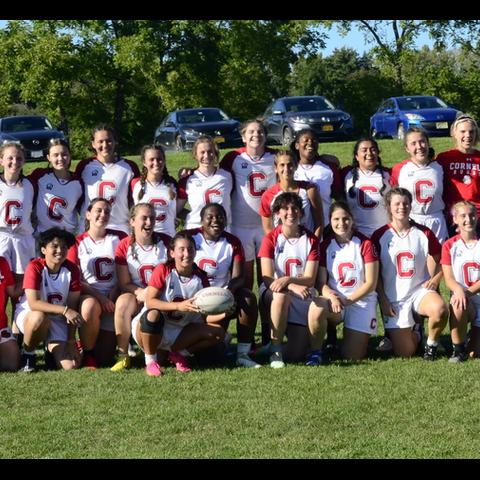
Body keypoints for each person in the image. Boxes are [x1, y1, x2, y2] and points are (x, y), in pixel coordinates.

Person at [131, 232, 225, 377]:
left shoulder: (201, 277)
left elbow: (205, 316)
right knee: (153, 314)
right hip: (152, 327)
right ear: (172, 253)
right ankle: (150, 361)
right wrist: (178, 306)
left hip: (180, 331)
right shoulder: (164, 270)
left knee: (219, 333)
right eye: (181, 249)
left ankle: (179, 354)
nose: (186, 253)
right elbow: (150, 302)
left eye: (190, 249)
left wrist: (224, 311)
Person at [371, 187, 448, 359]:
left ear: (411, 205)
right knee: (405, 352)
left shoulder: (424, 232)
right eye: (397, 203)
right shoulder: (379, 235)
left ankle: (431, 344)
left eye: (406, 203)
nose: (402, 207)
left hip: (419, 292)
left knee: (440, 310)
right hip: (394, 298)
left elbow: (444, 259)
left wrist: (435, 279)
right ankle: (417, 332)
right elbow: (374, 273)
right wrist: (383, 299)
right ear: (389, 207)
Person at [183, 203, 260, 368]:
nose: (215, 220)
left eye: (219, 217)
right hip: (192, 299)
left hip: (219, 300)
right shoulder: (188, 237)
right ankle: (223, 340)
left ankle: (243, 353)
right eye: (209, 217)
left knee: (248, 298)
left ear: (226, 220)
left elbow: (239, 276)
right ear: (201, 220)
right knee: (209, 358)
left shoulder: (232, 242)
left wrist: (227, 294)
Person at [258, 192, 327, 368]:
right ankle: (275, 349)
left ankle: (267, 348)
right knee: (281, 296)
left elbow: (310, 279)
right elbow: (267, 278)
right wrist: (290, 287)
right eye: (285, 208)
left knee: (296, 354)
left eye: (295, 208)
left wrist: (289, 281)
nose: (290, 212)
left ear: (301, 213)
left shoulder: (310, 239)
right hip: (274, 294)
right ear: (277, 214)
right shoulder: (270, 238)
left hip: (302, 294)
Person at [67, 197, 127, 368]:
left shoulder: (120, 238)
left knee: (106, 359)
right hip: (90, 295)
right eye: (98, 211)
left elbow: (126, 270)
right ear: (87, 214)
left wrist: (116, 290)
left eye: (107, 211)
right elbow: (76, 279)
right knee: (90, 306)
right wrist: (101, 297)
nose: (103, 214)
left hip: (114, 296)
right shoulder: (77, 242)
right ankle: (88, 353)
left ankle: (90, 345)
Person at [111, 203, 171, 371]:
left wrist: (152, 294)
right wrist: (141, 292)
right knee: (122, 301)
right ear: (132, 221)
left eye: (152, 218)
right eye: (144, 218)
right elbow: (124, 283)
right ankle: (123, 355)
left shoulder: (165, 242)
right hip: (137, 294)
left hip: (162, 294)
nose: (149, 222)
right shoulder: (124, 245)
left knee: (163, 358)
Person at [14, 228, 83, 372]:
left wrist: (71, 340)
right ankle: (28, 354)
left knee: (70, 366)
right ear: (44, 249)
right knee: (39, 317)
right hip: (31, 314)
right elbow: (34, 303)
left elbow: (72, 306)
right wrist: (65, 310)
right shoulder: (35, 267)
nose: (60, 250)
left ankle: (50, 351)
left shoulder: (72, 270)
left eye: (64, 247)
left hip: (57, 317)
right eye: (55, 246)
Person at [317, 202, 379, 360]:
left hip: (360, 301)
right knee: (315, 309)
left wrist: (347, 300)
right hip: (336, 302)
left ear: (352, 220)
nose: (341, 223)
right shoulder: (325, 245)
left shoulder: (365, 243)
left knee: (352, 356)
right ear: (329, 221)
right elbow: (321, 283)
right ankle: (315, 351)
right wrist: (331, 296)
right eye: (336, 219)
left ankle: (337, 343)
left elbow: (371, 283)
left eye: (345, 219)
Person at [219, 120, 277, 291]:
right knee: (245, 281)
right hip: (241, 226)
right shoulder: (233, 157)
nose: (256, 135)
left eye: (260, 131)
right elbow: (216, 176)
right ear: (243, 137)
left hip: (267, 226)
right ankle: (247, 317)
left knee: (268, 279)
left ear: (266, 136)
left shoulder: (276, 156)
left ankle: (268, 318)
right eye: (251, 132)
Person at [75, 124, 140, 234]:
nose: (105, 145)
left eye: (109, 141)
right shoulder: (84, 166)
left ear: (115, 142)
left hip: (119, 228)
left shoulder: (129, 167)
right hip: (90, 229)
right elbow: (76, 197)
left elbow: (135, 199)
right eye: (100, 141)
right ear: (93, 144)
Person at [391, 126, 448, 243]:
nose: (419, 147)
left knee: (438, 259)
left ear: (428, 143)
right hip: (411, 220)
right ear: (407, 148)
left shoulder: (440, 167)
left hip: (436, 219)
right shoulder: (399, 169)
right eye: (413, 143)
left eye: (422, 142)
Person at [441, 201, 480, 362]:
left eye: (472, 215)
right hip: (465, 301)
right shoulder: (450, 245)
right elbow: (448, 278)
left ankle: (471, 338)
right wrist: (459, 292)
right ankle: (458, 349)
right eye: (463, 216)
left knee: (475, 354)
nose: (468, 219)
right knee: (457, 302)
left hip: (473, 296)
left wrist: (466, 292)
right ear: (455, 219)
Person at [259, 150, 323, 238]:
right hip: (282, 246)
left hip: (307, 244)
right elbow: (268, 229)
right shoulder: (268, 195)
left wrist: (314, 245)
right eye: (282, 165)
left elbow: (319, 223)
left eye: (290, 165)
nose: (286, 169)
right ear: (275, 168)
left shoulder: (309, 190)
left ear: (296, 166)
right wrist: (276, 245)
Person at [0, 141, 35, 298]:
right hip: (2, 238)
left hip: (23, 239)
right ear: (1, 160)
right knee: (2, 288)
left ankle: (18, 322)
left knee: (21, 292)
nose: (15, 162)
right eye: (10, 158)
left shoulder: (30, 184)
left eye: (19, 158)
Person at [29, 138, 83, 236]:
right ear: (48, 157)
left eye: (64, 154)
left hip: (67, 235)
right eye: (55, 155)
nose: (60, 158)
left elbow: (83, 210)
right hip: (43, 234)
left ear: (70, 156)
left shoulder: (78, 182)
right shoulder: (39, 175)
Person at [177, 136, 233, 230]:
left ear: (215, 153)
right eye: (202, 152)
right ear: (195, 155)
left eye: (210, 151)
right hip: (196, 230)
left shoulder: (227, 175)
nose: (206, 156)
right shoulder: (187, 179)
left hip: (222, 230)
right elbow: (175, 210)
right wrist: (192, 216)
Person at [436, 113, 480, 231]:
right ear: (454, 133)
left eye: (471, 132)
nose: (468, 135)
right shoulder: (443, 158)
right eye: (463, 131)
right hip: (452, 217)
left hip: (477, 217)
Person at [291, 128, 343, 228]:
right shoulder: (290, 169)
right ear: (297, 145)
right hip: (297, 228)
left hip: (325, 226)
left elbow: (339, 196)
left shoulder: (328, 168)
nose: (310, 143)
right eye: (305, 140)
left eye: (314, 140)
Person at [342, 137, 391, 238]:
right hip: (356, 234)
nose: (369, 153)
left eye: (373, 149)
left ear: (378, 153)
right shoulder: (346, 174)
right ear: (356, 156)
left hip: (384, 232)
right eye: (364, 150)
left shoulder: (389, 174)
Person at [130, 144, 179, 237]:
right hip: (143, 239)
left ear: (164, 161)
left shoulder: (173, 184)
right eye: (151, 159)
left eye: (159, 159)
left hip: (168, 238)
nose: (156, 163)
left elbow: (178, 209)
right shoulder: (135, 184)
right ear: (144, 162)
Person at [0, 255, 20, 371]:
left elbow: (13, 291)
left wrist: (30, 277)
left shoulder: (2, 262)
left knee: (11, 365)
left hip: (1, 327)